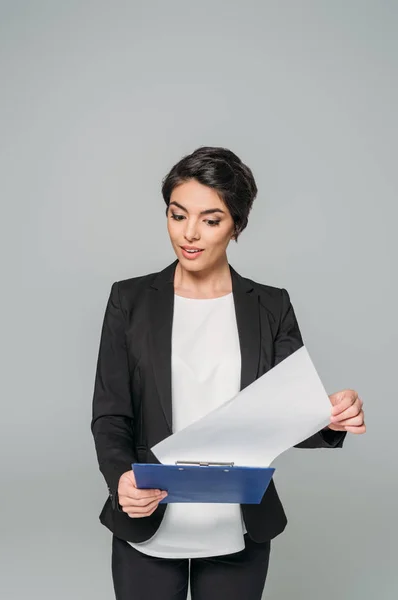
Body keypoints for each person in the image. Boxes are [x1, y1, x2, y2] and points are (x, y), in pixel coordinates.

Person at [91, 146, 366, 600]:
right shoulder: (130, 300)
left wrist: (330, 417)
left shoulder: (271, 305)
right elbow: (110, 413)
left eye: (211, 219)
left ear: (236, 224)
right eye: (178, 215)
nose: (189, 234)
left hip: (237, 527)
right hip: (149, 518)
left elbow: (287, 413)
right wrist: (120, 477)